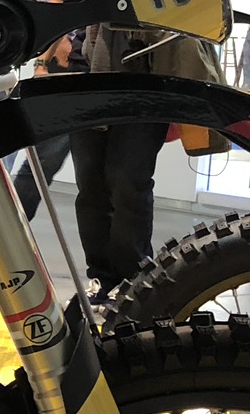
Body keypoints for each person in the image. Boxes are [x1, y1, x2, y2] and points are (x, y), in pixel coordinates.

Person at [69, 20, 224, 299]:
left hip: (146, 71)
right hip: (87, 71)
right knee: (90, 184)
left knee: (128, 180)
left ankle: (133, 281)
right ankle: (101, 277)